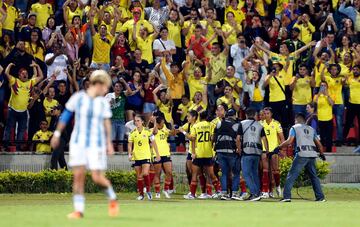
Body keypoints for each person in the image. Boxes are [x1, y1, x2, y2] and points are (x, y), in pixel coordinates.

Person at [50, 70, 119, 219]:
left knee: (96, 177)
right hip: (78, 143)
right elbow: (66, 115)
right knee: (78, 176)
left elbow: (106, 122)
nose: (106, 90)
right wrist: (56, 134)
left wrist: (109, 143)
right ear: (98, 84)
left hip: (96, 144)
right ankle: (79, 210)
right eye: (105, 86)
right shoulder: (78, 98)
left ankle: (112, 197)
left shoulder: (102, 102)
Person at [279, 113, 326, 202]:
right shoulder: (312, 129)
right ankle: (320, 197)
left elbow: (289, 141)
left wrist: (279, 147)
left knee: (291, 175)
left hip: (301, 154)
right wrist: (322, 154)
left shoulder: (295, 127)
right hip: (312, 155)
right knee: (314, 177)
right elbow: (319, 144)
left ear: (296, 120)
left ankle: (286, 197)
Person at [3, 62, 43, 150]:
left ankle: (18, 148)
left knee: (21, 131)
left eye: (26, 73)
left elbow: (41, 77)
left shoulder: (30, 82)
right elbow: (6, 73)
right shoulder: (15, 81)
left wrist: (37, 66)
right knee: (9, 128)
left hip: (23, 112)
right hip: (12, 110)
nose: (25, 75)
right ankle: (5, 146)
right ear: (19, 75)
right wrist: (9, 65)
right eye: (23, 73)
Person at [184, 111, 221, 199]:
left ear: (200, 117)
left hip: (198, 153)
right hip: (208, 153)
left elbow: (192, 139)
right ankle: (218, 191)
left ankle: (192, 194)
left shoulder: (196, 126)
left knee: (194, 174)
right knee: (211, 174)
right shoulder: (211, 125)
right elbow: (213, 138)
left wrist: (193, 152)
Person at [237, 108, 269, 201]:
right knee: (255, 173)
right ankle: (257, 193)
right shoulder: (259, 125)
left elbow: (238, 138)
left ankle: (254, 193)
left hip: (246, 151)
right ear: (255, 115)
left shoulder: (242, 124)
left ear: (246, 115)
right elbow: (264, 139)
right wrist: (266, 151)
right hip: (257, 152)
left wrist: (239, 149)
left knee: (246, 173)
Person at [128, 114, 160, 200]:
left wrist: (157, 154)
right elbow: (130, 145)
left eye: (138, 120)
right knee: (139, 177)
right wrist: (130, 154)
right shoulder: (132, 133)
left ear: (142, 122)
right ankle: (141, 195)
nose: (136, 122)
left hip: (146, 155)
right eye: (135, 121)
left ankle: (148, 191)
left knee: (145, 173)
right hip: (137, 156)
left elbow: (153, 143)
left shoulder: (148, 131)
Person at [213, 108, 241, 200]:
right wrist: (239, 149)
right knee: (236, 173)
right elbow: (238, 139)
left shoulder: (220, 123)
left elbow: (214, 137)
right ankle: (235, 193)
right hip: (231, 151)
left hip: (220, 151)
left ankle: (224, 193)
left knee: (224, 173)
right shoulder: (236, 125)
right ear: (234, 115)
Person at [260, 107, 285, 199]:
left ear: (271, 114)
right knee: (265, 170)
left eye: (267, 113)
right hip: (264, 150)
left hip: (274, 150)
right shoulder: (260, 124)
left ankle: (277, 186)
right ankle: (266, 191)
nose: (266, 115)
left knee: (275, 170)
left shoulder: (276, 124)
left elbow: (282, 138)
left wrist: (282, 150)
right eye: (264, 113)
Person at [152, 116, 174, 199]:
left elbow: (173, 133)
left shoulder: (164, 129)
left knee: (169, 172)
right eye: (162, 123)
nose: (163, 124)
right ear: (157, 123)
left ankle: (165, 190)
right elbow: (155, 131)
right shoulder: (152, 130)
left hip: (166, 153)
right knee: (157, 173)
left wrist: (172, 124)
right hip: (156, 154)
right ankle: (157, 192)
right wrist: (154, 122)